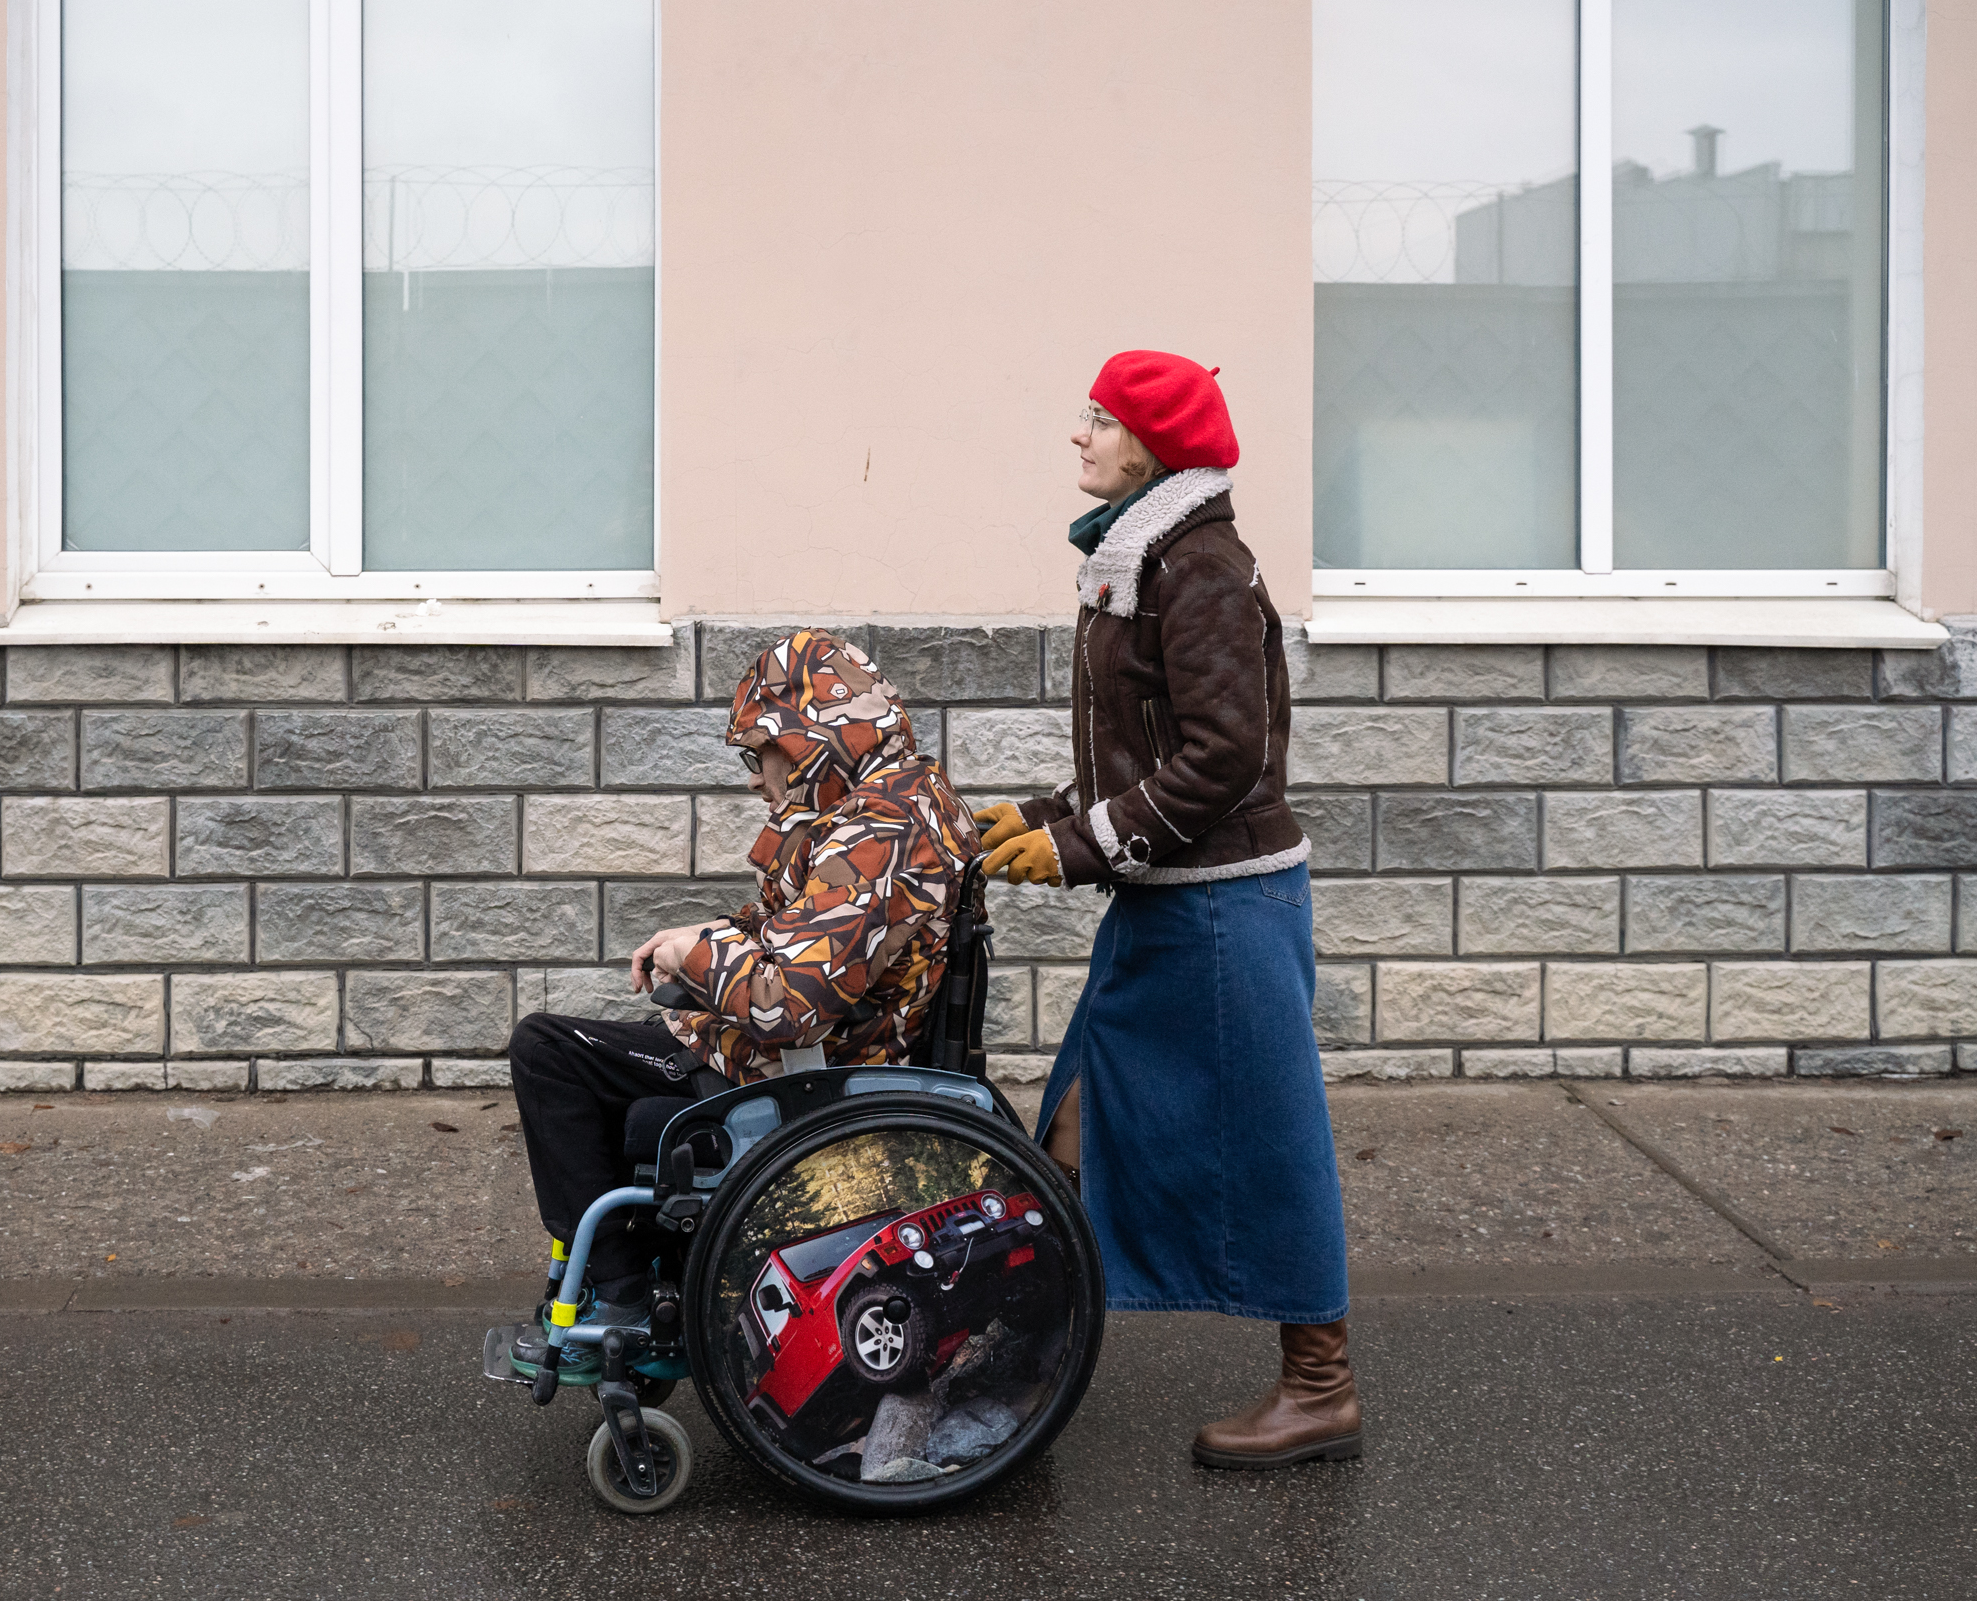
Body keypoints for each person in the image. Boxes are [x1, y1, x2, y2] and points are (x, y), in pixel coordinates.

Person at [972, 350, 1361, 1471]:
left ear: (1150, 443)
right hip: (1169, 904)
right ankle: (1011, 1357)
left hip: (1227, 910)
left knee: (1274, 1147)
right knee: (1073, 1132)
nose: (1079, 435)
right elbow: (1144, 751)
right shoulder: (1140, 554)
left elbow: (1222, 760)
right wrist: (1043, 813)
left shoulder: (1199, 566)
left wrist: (1084, 842)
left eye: (1097, 419)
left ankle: (1319, 1385)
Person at [506, 629, 980, 1350]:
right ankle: (630, 1275)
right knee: (573, 1055)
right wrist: (707, 940)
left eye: (758, 756)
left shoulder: (882, 833)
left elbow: (787, 1004)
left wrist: (696, 955)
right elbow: (802, 935)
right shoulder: (898, 805)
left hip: (798, 1081)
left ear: (805, 743)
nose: (755, 778)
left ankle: (625, 1295)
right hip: (807, 1060)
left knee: (546, 1053)